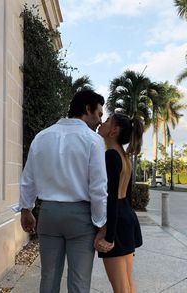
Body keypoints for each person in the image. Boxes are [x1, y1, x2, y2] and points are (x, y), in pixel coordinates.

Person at [18, 90, 113, 293]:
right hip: (80, 217)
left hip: (49, 214)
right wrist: (101, 223)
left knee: (48, 277)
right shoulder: (92, 140)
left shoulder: (42, 136)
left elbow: (28, 178)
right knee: (79, 282)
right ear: (88, 109)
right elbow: (98, 188)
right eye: (99, 114)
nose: (100, 121)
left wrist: (26, 209)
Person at [94, 113, 143, 293]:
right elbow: (126, 197)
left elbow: (111, 198)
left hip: (117, 222)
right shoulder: (124, 156)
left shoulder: (111, 156)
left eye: (106, 121)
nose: (102, 123)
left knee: (121, 288)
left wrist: (109, 236)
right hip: (126, 218)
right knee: (128, 284)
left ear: (114, 131)